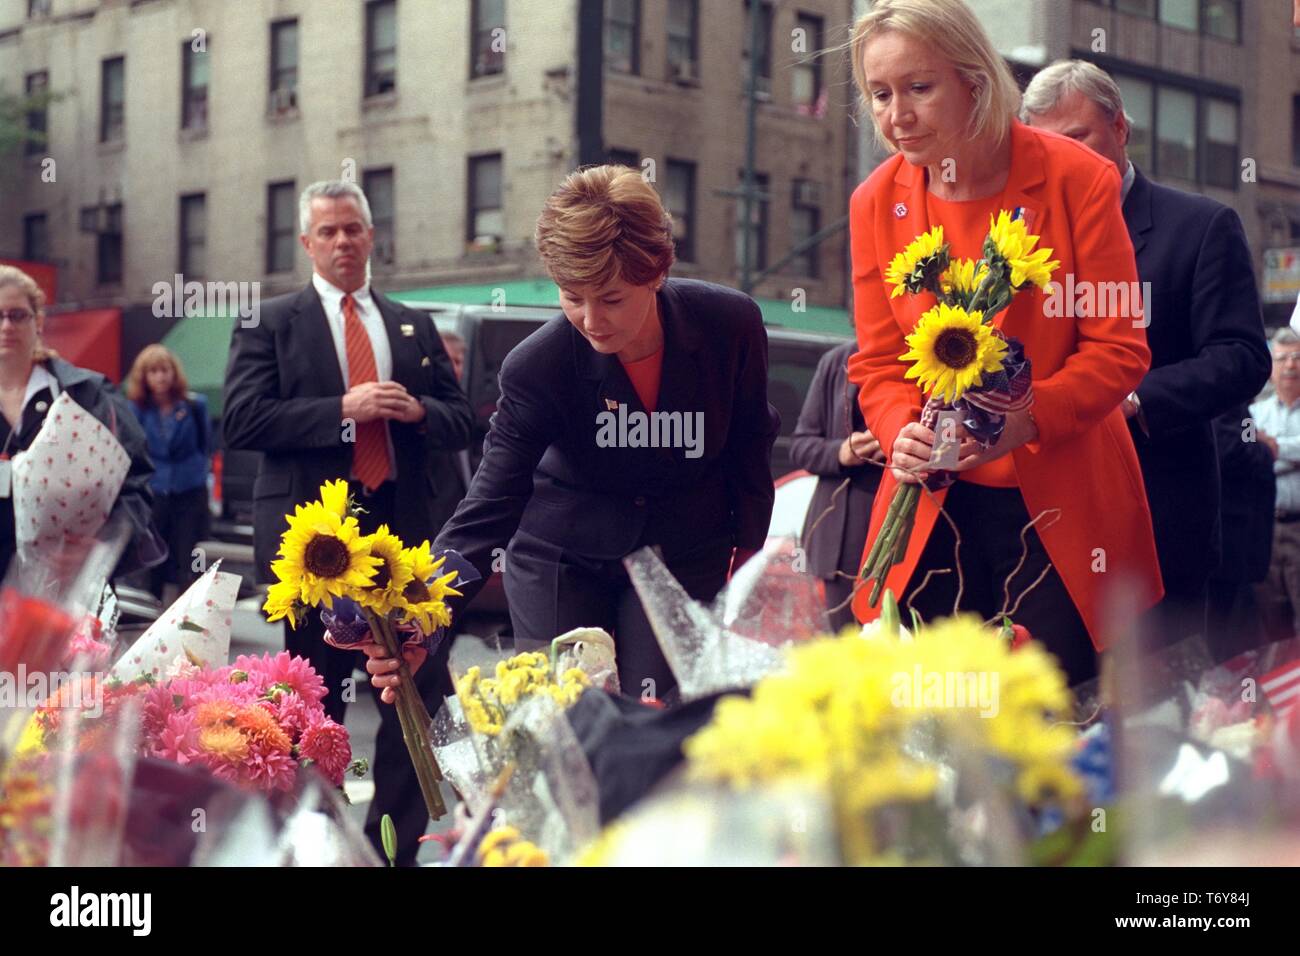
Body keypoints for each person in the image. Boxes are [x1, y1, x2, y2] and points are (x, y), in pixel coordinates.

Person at [367, 164, 780, 704]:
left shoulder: (731, 324)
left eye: (611, 298)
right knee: (569, 720)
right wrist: (423, 616)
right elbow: (488, 506)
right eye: (570, 296)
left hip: (684, 548)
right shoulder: (537, 366)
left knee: (663, 719)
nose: (589, 319)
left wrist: (748, 567)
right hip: (561, 557)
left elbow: (751, 442)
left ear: (656, 271)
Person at [845, 0, 1162, 685]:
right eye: (880, 93)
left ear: (976, 83)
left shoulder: (1079, 178)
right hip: (931, 505)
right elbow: (875, 362)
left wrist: (1025, 419)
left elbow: (1120, 348)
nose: (896, 114)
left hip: (1060, 510)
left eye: (918, 88)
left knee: (1052, 736)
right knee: (921, 731)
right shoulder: (874, 201)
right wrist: (900, 430)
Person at [221, 180, 474, 865]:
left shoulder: (412, 325)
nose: (341, 242)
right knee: (313, 702)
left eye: (352, 229)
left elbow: (464, 418)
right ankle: (310, 843)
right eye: (327, 232)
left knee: (413, 693)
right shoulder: (270, 321)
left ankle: (387, 848)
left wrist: (418, 412)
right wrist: (343, 406)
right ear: (306, 242)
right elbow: (241, 419)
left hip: (403, 536)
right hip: (316, 545)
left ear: (371, 235)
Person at [1021, 59, 1270, 650]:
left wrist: (1131, 399)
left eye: (1078, 138)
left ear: (1121, 128)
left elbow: (1241, 356)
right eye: (1048, 144)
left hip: (1158, 522)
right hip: (1037, 526)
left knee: (1154, 725)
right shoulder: (1018, 241)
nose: (1066, 157)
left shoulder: (1201, 226)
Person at [0, 264, 161, 583]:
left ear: (39, 321)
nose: (6, 326)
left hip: (68, 589)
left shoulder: (86, 394)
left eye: (17, 315)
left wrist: (100, 547)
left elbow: (136, 483)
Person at [788, 339, 884, 630]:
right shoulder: (837, 360)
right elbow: (801, 446)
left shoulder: (934, 355)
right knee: (848, 646)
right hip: (844, 533)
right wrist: (841, 452)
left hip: (911, 521)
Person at [125, 345, 212, 602]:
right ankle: (151, 620)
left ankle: (192, 617)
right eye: (153, 371)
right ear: (144, 377)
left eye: (164, 370)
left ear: (174, 373)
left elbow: (206, 445)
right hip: (155, 493)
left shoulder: (195, 406)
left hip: (189, 491)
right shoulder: (136, 410)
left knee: (190, 559)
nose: (160, 376)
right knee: (154, 562)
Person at [1207, 401, 1275, 659]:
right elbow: (1229, 447)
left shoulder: (1238, 403)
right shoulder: (1227, 399)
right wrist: (1264, 449)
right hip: (1228, 547)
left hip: (1236, 545)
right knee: (1226, 639)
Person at [1252, 328, 1300, 643]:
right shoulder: (1254, 413)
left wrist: (1272, 449)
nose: (1290, 366)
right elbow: (1247, 457)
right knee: (1270, 623)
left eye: (1297, 357)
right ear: (1270, 368)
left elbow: (1261, 455)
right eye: (1281, 358)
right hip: (1266, 529)